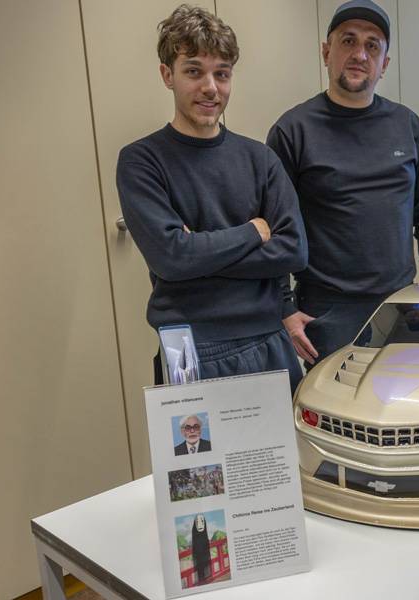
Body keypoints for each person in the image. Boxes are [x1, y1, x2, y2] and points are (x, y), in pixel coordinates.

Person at [117, 4, 307, 391]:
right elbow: (171, 257)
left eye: (221, 73)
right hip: (186, 347)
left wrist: (196, 252)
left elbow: (293, 251)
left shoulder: (260, 159)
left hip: (268, 341)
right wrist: (254, 232)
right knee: (199, 450)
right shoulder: (141, 161)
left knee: (278, 455)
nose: (210, 87)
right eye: (193, 71)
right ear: (167, 74)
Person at [267, 0, 419, 368]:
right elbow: (274, 230)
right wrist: (285, 308)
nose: (359, 54)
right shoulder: (293, 131)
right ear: (326, 52)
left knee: (402, 407)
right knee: (338, 420)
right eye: (348, 41)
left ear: (384, 64)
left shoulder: (407, 125)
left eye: (372, 45)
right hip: (327, 314)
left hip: (402, 305)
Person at [190, 513, 211, 585]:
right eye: (197, 522)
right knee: (200, 570)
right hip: (199, 557)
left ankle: (205, 580)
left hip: (204, 556)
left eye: (202, 521)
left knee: (205, 569)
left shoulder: (205, 535)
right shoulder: (195, 536)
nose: (200, 523)